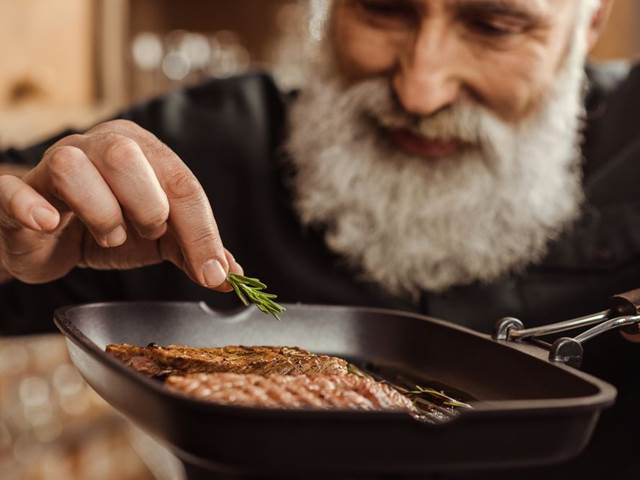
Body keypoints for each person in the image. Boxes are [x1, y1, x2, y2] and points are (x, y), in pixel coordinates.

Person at [0, 0, 638, 478]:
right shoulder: (214, 144)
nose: (420, 88)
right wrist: (14, 235)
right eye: (383, 7)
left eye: (494, 26)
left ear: (590, 23)